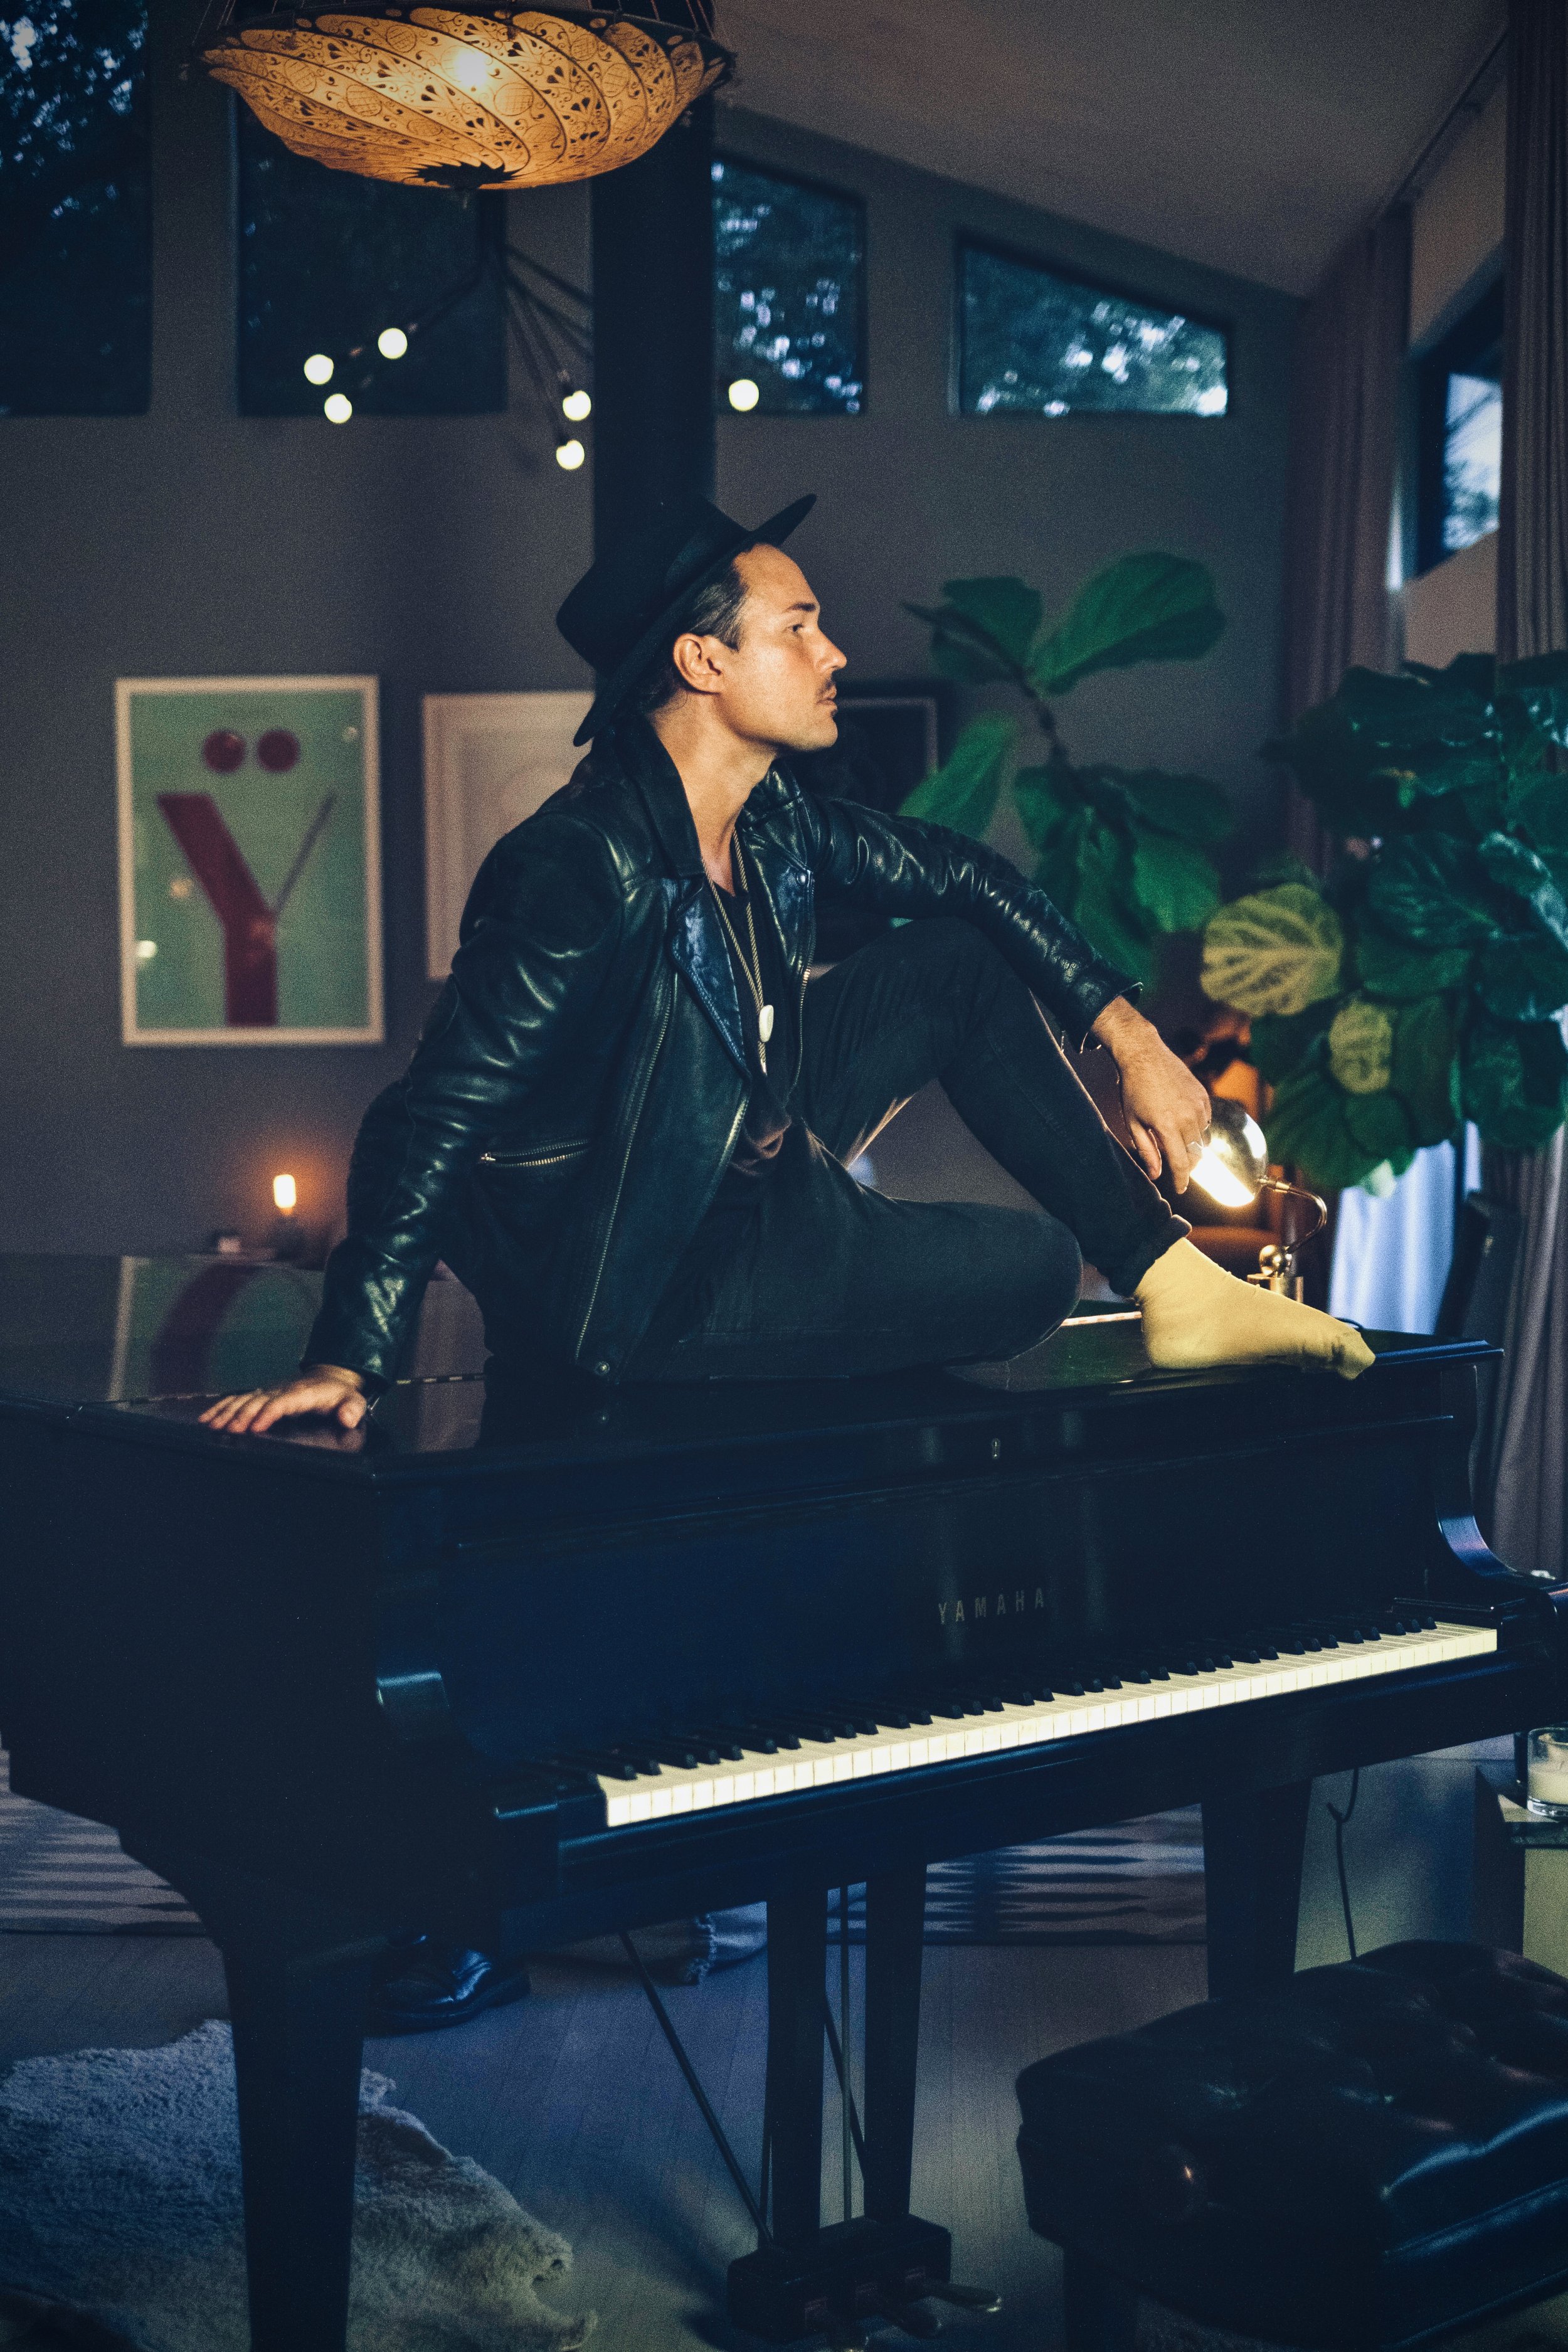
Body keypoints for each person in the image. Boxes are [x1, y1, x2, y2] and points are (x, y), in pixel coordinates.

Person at [202, 491, 1372, 2025]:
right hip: (651, 1280)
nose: (833, 650)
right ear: (700, 659)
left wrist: (1131, 1038)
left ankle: (1174, 1287)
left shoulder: (771, 827)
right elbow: (428, 1115)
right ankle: (1073, 1274)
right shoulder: (580, 866)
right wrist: (352, 1352)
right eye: (798, 625)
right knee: (1022, 1275)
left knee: (950, 957)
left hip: (736, 1163)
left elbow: (969, 885)